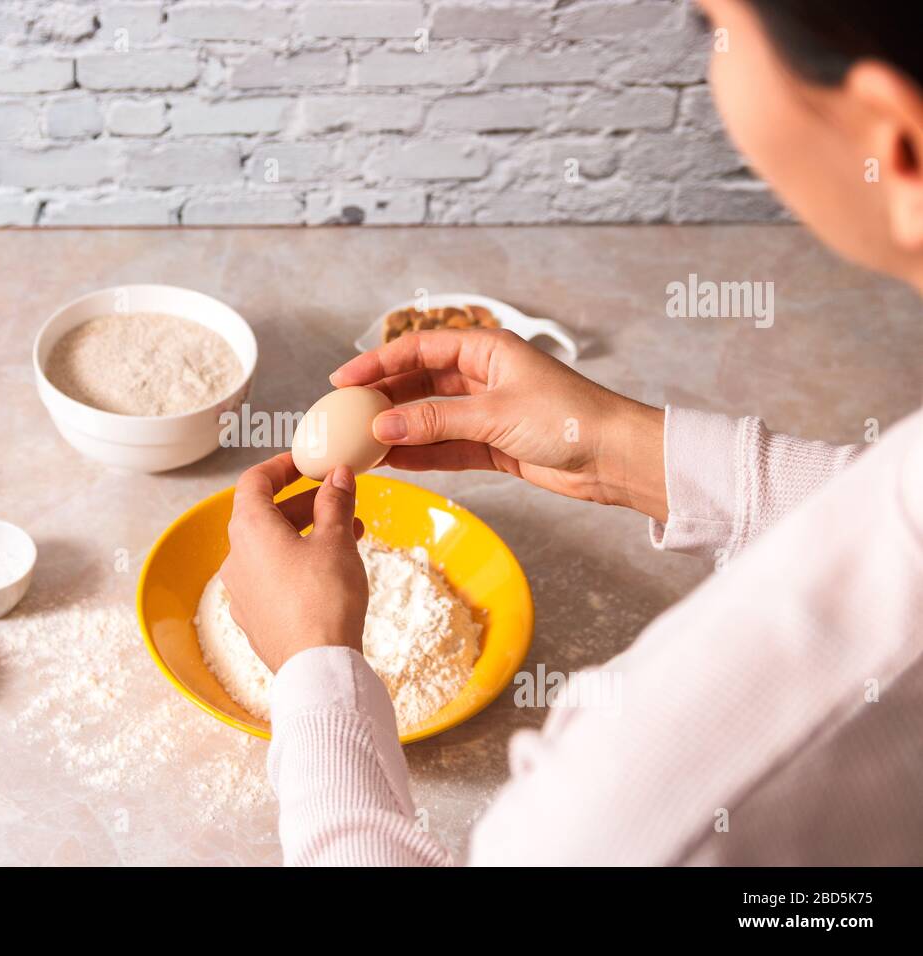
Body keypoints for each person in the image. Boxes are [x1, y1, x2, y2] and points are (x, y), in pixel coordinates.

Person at [219, 0, 923, 865]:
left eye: (714, 30)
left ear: (899, 146)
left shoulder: (655, 793)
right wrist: (617, 447)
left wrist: (315, 671)